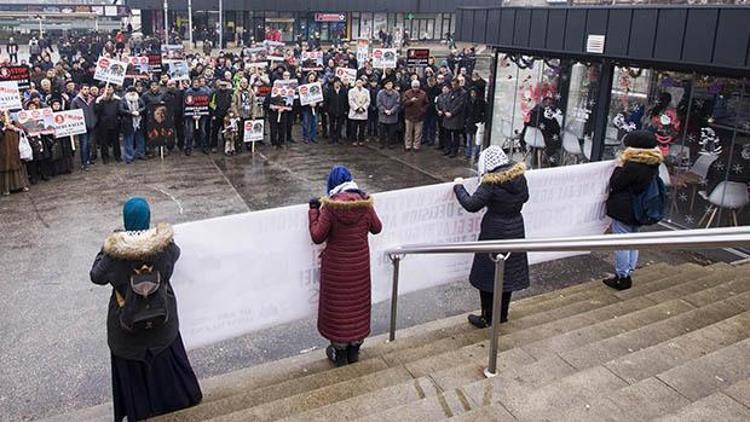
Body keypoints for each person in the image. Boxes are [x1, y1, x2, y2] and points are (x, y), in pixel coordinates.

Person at [90, 197, 202, 421]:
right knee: (166, 360)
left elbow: (96, 276)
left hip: (127, 327)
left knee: (134, 367)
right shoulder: (164, 247)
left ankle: (140, 409)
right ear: (148, 218)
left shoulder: (115, 254)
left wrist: (106, 246)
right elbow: (175, 256)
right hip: (162, 323)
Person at [308, 166, 383, 366]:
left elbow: (317, 236)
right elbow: (377, 228)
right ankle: (354, 350)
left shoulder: (331, 207)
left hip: (336, 270)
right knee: (356, 307)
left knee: (338, 309)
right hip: (359, 270)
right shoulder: (364, 203)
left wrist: (313, 211)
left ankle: (339, 354)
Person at [453, 146, 530, 327]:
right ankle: (502, 315)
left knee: (488, 275)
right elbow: (525, 197)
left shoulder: (490, 183)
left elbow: (471, 204)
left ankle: (486, 317)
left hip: (494, 231)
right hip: (516, 229)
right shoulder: (518, 176)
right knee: (507, 274)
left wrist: (459, 187)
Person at [603, 131, 663, 291]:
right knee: (633, 241)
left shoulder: (632, 166)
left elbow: (616, 183)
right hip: (640, 209)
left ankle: (622, 276)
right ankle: (628, 271)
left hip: (625, 209)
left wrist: (618, 167)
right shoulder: (653, 163)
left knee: (621, 242)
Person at [0, 114, 30, 196]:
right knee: (6, 167)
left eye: (7, 116)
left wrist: (14, 128)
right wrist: (4, 129)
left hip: (16, 149)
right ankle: (6, 189)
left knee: (19, 166)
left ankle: (23, 185)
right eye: (3, 116)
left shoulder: (15, 123)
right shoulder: (1, 126)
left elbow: (25, 131)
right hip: (5, 151)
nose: (6, 118)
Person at [94, 84, 122, 164]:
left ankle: (117, 156)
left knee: (116, 141)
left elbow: (119, 111)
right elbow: (97, 111)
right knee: (104, 142)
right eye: (107, 88)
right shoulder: (101, 100)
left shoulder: (117, 100)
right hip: (104, 124)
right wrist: (98, 101)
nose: (109, 90)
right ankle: (105, 157)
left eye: (110, 88)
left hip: (115, 123)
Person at [119, 86, 146, 163]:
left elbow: (144, 107)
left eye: (133, 91)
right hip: (128, 122)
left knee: (140, 139)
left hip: (139, 122)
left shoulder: (139, 99)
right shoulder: (123, 100)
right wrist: (131, 113)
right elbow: (121, 110)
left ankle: (140, 154)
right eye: (130, 91)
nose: (132, 93)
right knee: (128, 140)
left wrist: (139, 111)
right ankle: (128, 156)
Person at [402, 80, 428, 152]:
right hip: (409, 116)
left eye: (417, 87)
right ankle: (408, 145)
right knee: (408, 132)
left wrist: (423, 110)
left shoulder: (423, 93)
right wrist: (410, 101)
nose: (415, 88)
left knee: (418, 132)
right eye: (414, 87)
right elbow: (404, 103)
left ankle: (416, 146)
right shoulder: (407, 93)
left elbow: (426, 103)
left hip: (419, 116)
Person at [443, 79, 466, 158]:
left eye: (454, 84)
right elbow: (445, 102)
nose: (453, 86)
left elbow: (460, 105)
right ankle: (448, 148)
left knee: (456, 135)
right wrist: (445, 111)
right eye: (452, 84)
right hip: (447, 116)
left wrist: (452, 113)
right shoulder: (450, 92)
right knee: (447, 134)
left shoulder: (462, 93)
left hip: (456, 117)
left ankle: (454, 151)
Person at [464, 87, 487, 161]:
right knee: (469, 139)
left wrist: (483, 120)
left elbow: (485, 112)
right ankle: (468, 154)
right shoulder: (468, 101)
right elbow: (465, 112)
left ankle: (476, 154)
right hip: (469, 122)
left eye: (474, 93)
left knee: (478, 140)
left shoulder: (481, 102)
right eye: (471, 93)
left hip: (478, 121)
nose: (473, 94)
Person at [376, 80, 400, 149]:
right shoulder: (380, 93)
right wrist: (384, 110)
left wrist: (392, 111)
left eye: (390, 84)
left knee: (392, 132)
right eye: (388, 84)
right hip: (383, 115)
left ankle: (391, 143)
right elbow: (378, 103)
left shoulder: (396, 93)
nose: (389, 85)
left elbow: (397, 104)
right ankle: (382, 143)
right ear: (385, 85)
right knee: (382, 131)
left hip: (393, 115)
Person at [325, 79, 348, 145]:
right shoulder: (330, 91)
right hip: (332, 110)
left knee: (339, 125)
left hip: (341, 110)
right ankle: (331, 138)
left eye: (338, 83)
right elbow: (327, 101)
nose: (337, 84)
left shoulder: (343, 91)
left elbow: (345, 101)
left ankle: (338, 138)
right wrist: (326, 110)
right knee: (331, 125)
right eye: (336, 83)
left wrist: (346, 110)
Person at [347, 78, 370, 146]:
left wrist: (363, 108)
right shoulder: (351, 91)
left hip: (363, 111)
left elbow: (368, 101)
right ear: (355, 83)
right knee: (354, 127)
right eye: (358, 82)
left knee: (362, 128)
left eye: (360, 82)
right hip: (354, 112)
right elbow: (350, 101)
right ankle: (353, 140)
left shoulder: (366, 91)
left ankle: (361, 140)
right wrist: (356, 108)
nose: (359, 84)